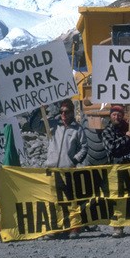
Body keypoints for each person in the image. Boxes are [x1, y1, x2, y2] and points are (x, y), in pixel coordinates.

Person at [45, 99, 87, 239]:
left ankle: (74, 228)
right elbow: (35, 125)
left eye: (66, 111)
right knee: (53, 201)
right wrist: (40, 109)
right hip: (52, 169)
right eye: (61, 111)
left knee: (71, 200)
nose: (63, 114)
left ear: (71, 112)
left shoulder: (77, 128)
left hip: (67, 170)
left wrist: (74, 160)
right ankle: (55, 227)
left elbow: (84, 147)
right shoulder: (53, 125)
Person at [103, 104, 130, 238]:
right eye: (114, 114)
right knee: (118, 198)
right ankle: (118, 226)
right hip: (117, 169)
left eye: (119, 114)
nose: (117, 117)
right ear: (110, 116)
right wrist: (127, 138)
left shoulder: (129, 127)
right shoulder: (107, 131)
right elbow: (112, 147)